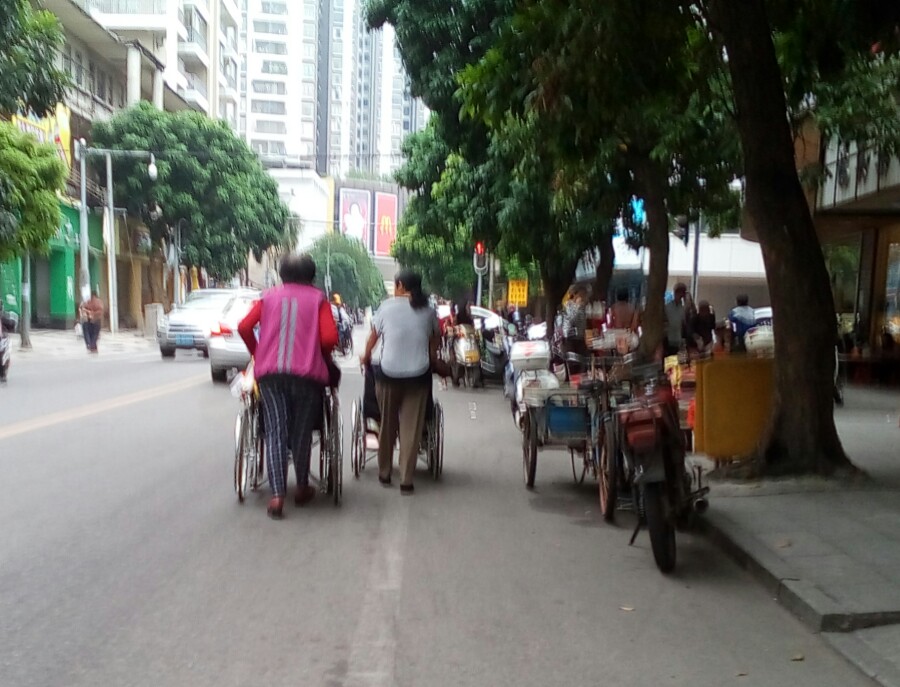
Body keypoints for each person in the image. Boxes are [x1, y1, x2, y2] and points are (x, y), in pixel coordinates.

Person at [238, 254, 338, 520]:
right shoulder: (318, 299)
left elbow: (244, 326)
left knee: (275, 430)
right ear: (311, 275)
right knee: (301, 432)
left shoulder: (267, 297)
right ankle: (302, 487)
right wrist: (318, 354)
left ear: (282, 274)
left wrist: (258, 353)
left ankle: (277, 496)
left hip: (270, 376)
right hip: (307, 377)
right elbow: (330, 338)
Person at [361, 270, 440, 495]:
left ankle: (385, 473)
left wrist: (365, 357)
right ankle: (406, 480)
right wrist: (432, 358)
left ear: (400, 286)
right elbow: (435, 340)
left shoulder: (386, 307)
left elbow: (373, 339)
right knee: (411, 429)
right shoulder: (429, 311)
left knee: (387, 425)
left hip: (388, 375)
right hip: (418, 376)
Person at [663, 283, 690, 357]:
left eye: (682, 293)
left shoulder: (683, 308)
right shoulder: (667, 307)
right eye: (678, 292)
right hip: (668, 339)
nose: (680, 295)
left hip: (678, 339)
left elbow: (684, 322)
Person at [562, 287, 589, 357]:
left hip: (580, 338)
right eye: (582, 295)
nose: (584, 298)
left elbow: (583, 322)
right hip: (571, 339)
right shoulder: (569, 305)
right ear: (576, 295)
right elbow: (572, 319)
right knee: (574, 359)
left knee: (584, 358)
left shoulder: (582, 306)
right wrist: (578, 307)